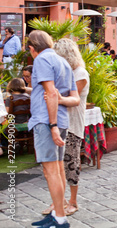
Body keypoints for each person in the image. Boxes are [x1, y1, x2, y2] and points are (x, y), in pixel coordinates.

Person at [26, 30, 80, 228]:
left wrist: (52, 125)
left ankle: (59, 218)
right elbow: (74, 99)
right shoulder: (63, 62)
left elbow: (50, 93)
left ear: (32, 48)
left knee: (51, 172)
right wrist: (57, 118)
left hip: (48, 121)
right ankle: (58, 215)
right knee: (56, 170)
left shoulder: (41, 60)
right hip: (60, 120)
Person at [50, 38, 90, 217]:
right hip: (61, 123)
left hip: (73, 123)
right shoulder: (67, 73)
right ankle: (60, 200)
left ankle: (73, 201)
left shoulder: (80, 73)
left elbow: (69, 98)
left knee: (71, 162)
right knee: (58, 164)